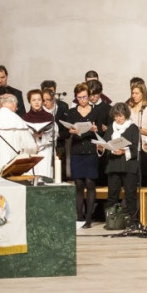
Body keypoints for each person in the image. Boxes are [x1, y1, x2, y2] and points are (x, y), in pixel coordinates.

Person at [61, 83, 102, 229]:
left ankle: (89, 219)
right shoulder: (72, 112)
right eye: (79, 97)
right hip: (76, 151)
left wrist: (96, 129)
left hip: (90, 151)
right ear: (76, 98)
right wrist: (70, 132)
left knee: (90, 183)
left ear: (89, 96)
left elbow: (102, 132)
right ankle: (79, 217)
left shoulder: (95, 111)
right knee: (78, 184)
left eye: (85, 97)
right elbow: (63, 133)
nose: (83, 100)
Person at [0, 93, 37, 177]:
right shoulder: (17, 120)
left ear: (1, 105)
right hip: (11, 169)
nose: (16, 109)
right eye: (16, 106)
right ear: (14, 104)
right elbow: (30, 147)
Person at [98, 102, 140, 220]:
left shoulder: (133, 128)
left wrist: (123, 151)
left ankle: (133, 220)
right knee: (112, 195)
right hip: (113, 164)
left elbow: (136, 148)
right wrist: (101, 148)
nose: (118, 119)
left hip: (128, 165)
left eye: (121, 116)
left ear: (126, 115)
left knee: (130, 195)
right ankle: (112, 221)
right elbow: (106, 144)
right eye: (116, 116)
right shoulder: (111, 128)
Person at [128, 79, 147, 187]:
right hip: (131, 146)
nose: (134, 96)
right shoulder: (129, 108)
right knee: (130, 177)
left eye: (137, 93)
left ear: (143, 93)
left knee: (142, 177)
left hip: (143, 148)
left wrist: (138, 129)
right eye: (133, 93)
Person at [22, 89, 56, 177]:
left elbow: (54, 135)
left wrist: (42, 136)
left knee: (44, 175)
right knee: (31, 176)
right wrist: (32, 143)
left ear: (42, 101)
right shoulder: (25, 118)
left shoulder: (49, 117)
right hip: (30, 151)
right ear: (29, 102)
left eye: (39, 99)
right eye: (34, 100)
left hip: (45, 150)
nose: (36, 102)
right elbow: (22, 136)